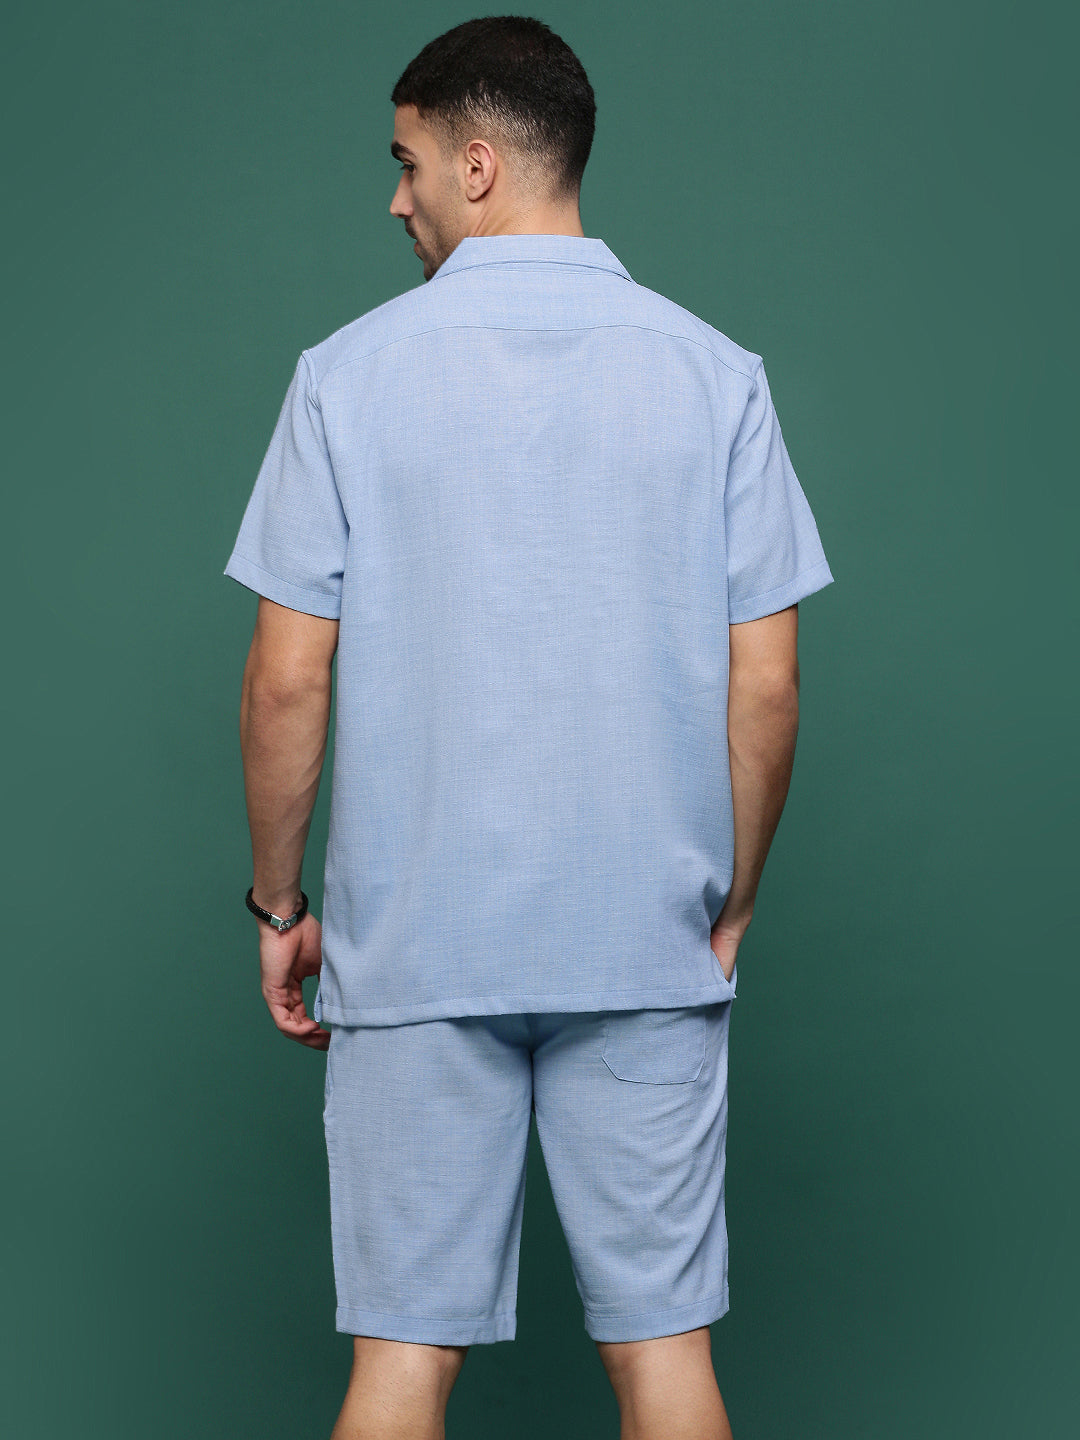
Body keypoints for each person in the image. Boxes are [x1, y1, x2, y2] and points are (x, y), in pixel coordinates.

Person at [223, 15, 833, 1440]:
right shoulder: (715, 374)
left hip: (415, 947)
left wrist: (280, 904)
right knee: (665, 1359)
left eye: (407, 162)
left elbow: (286, 681)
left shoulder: (345, 376)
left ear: (479, 164)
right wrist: (732, 901)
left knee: (401, 1365)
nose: (397, 198)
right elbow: (766, 685)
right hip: (644, 940)